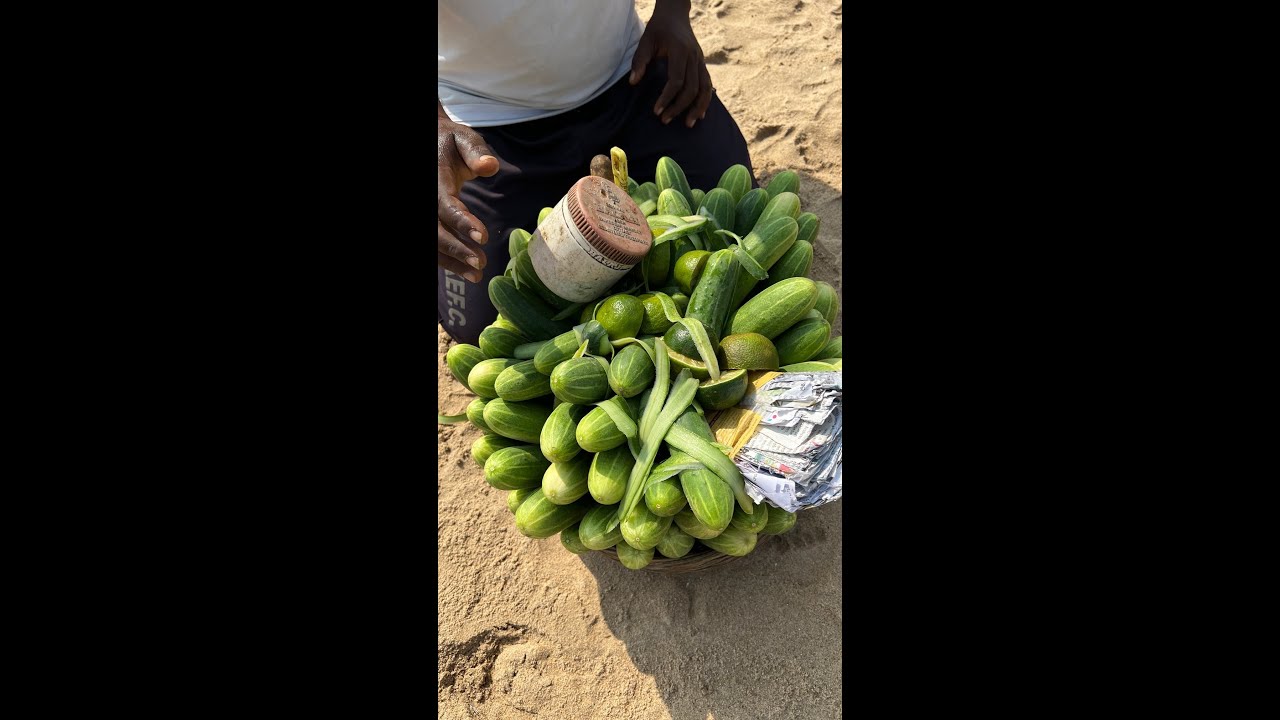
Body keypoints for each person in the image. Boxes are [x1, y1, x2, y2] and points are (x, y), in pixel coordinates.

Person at [438, 0, 755, 345]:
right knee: (482, 328)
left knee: (741, 234)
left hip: (632, 75)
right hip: (484, 123)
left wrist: (673, 12)